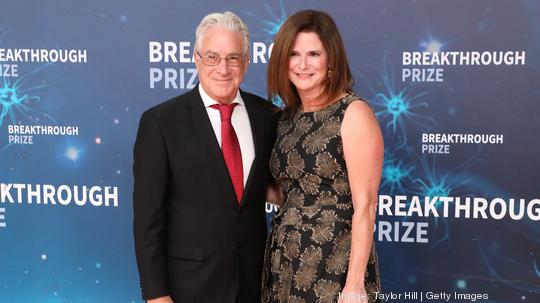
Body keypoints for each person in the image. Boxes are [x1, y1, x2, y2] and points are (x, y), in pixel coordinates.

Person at [133, 12, 277, 303]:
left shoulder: (267, 116)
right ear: (197, 59)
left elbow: (275, 188)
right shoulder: (161, 122)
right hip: (189, 288)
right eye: (212, 56)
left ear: (246, 62)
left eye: (233, 58)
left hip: (255, 286)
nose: (222, 68)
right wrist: (156, 295)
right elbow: (148, 221)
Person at [261, 10, 383, 303]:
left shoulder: (352, 113)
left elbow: (365, 206)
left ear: (331, 60)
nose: (303, 64)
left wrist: (353, 286)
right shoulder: (286, 118)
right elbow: (290, 192)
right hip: (284, 262)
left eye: (314, 54)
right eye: (293, 54)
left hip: (334, 265)